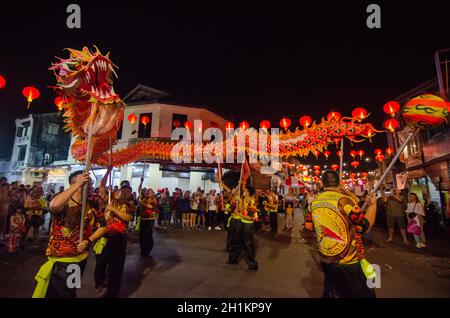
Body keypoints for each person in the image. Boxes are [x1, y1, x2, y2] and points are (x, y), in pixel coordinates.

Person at [32, 171, 104, 298]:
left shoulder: (91, 206)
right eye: (88, 183)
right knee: (57, 293)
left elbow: (103, 227)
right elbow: (53, 206)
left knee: (68, 292)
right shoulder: (64, 201)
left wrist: (88, 241)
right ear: (75, 184)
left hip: (77, 261)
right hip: (61, 261)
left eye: (91, 183)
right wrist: (77, 185)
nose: (92, 187)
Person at [310, 170, 377, 298]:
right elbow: (365, 227)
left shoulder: (314, 202)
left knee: (332, 292)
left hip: (326, 260)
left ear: (322, 183)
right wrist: (373, 205)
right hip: (347, 262)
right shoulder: (344, 202)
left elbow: (309, 228)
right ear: (339, 183)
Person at [94, 184, 134, 298]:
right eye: (124, 190)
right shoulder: (110, 198)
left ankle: (112, 292)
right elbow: (101, 187)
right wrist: (108, 170)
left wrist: (114, 209)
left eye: (128, 191)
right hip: (104, 236)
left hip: (119, 239)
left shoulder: (130, 205)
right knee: (100, 263)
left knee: (116, 268)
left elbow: (128, 218)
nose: (126, 192)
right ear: (119, 191)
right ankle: (99, 281)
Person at [228, 186, 259, 270]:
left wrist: (238, 214)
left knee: (247, 244)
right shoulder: (242, 199)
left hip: (248, 225)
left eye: (245, 191)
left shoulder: (252, 202)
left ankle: (252, 264)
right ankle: (233, 259)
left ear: (249, 193)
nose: (243, 192)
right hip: (241, 223)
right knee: (236, 241)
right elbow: (232, 201)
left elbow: (250, 218)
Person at [139, 188, 158, 255]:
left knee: (148, 235)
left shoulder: (153, 199)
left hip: (150, 220)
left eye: (150, 192)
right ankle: (143, 249)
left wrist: (142, 203)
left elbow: (150, 207)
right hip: (143, 219)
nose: (149, 193)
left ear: (153, 193)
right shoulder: (144, 198)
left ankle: (147, 250)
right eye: (148, 192)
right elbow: (139, 190)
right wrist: (141, 182)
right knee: (141, 235)